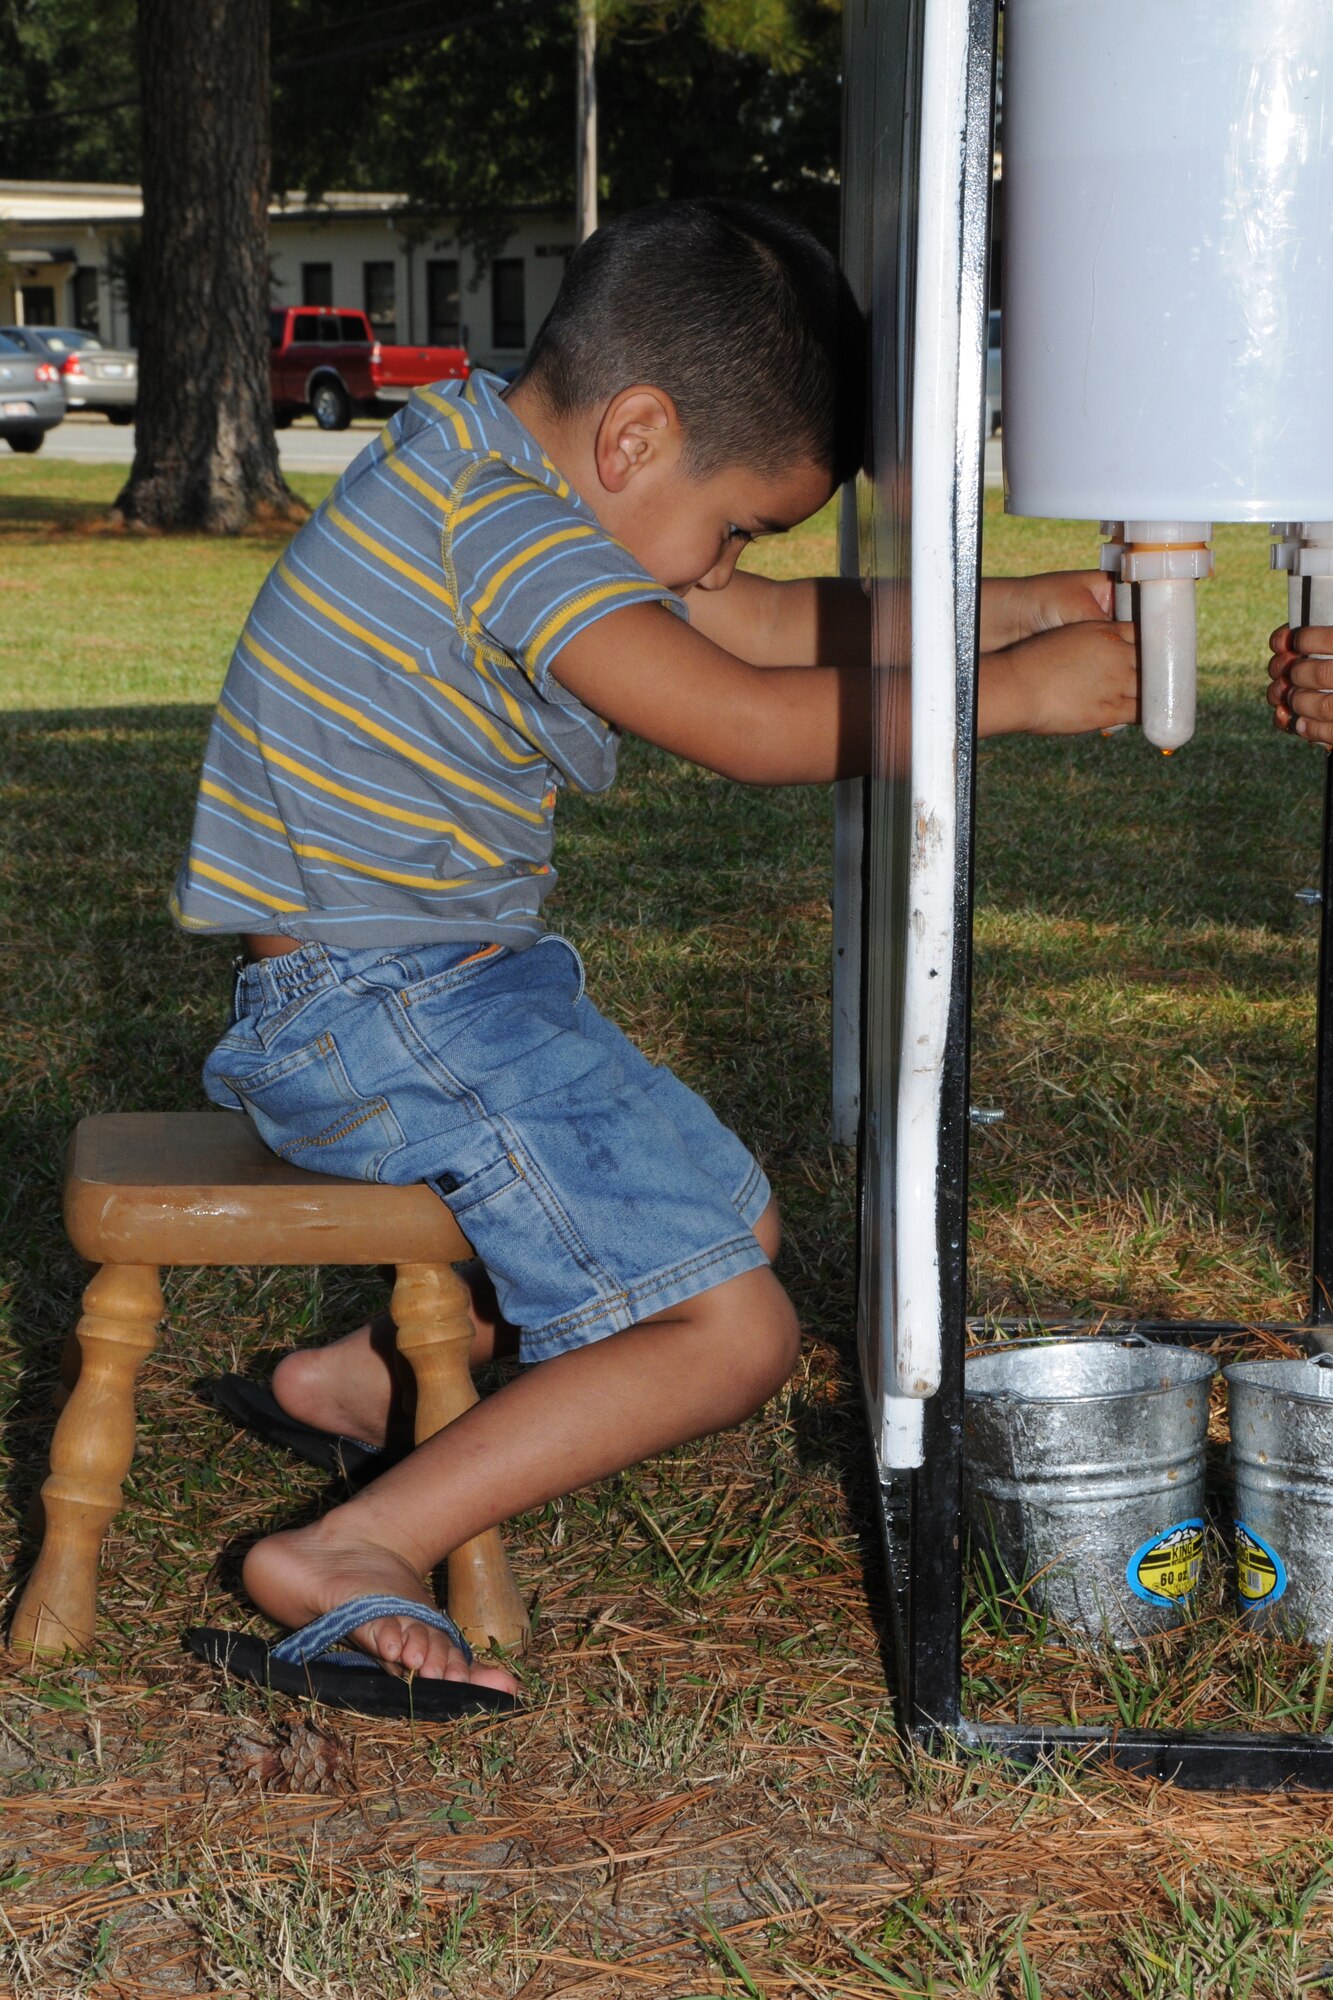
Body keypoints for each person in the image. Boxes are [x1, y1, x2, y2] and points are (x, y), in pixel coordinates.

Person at [175, 198, 1138, 1709]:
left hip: (394, 991)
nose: (729, 558)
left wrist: (1016, 611)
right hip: (385, 1007)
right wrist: (1000, 700)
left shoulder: (474, 463)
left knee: (725, 1236)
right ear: (633, 436)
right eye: (738, 516)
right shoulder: (504, 531)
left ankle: (356, 1383)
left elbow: (744, 623)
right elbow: (747, 719)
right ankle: (355, 1543)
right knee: (732, 1330)